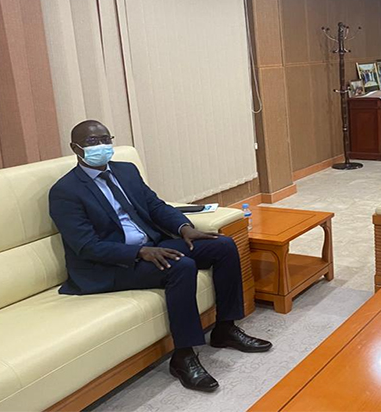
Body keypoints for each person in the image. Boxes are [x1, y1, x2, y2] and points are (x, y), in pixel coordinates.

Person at [49, 120, 271, 393]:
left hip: (151, 246)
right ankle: (183, 356)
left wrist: (185, 228)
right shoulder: (65, 191)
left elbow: (155, 206)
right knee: (181, 266)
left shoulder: (126, 171)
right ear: (76, 148)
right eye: (92, 142)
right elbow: (86, 246)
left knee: (222, 246)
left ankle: (225, 329)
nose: (102, 146)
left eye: (106, 139)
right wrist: (139, 252)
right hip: (110, 264)